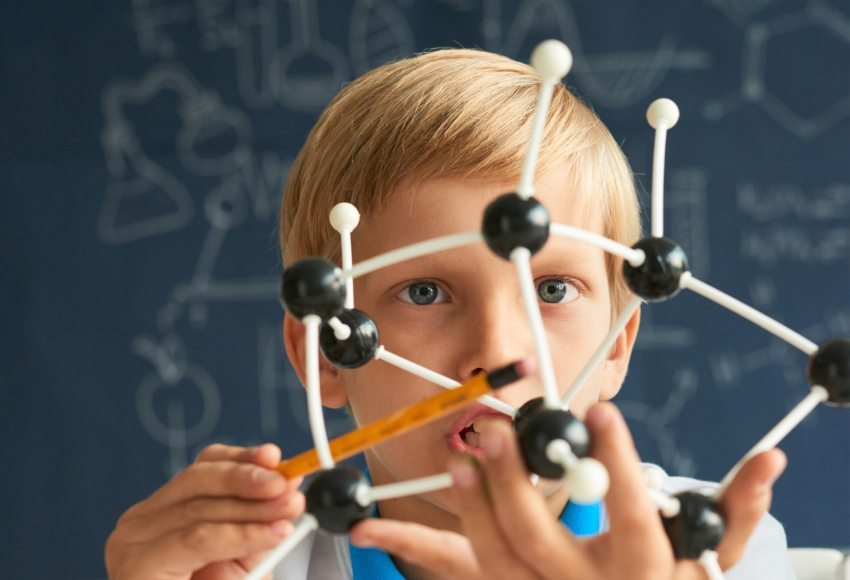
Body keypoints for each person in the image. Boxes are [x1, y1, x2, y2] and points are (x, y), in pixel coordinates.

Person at [105, 48, 795, 579]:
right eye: (426, 292)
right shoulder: (252, 566)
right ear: (325, 353)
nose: (495, 355)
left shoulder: (712, 549)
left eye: (552, 290)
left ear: (617, 343)